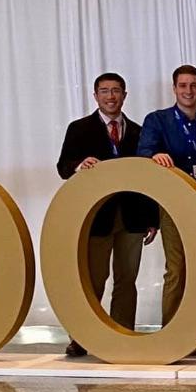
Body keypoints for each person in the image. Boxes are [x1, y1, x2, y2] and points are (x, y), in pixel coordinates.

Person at [55, 72, 158, 357]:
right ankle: (82, 336)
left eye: (116, 91)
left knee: (127, 280)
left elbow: (148, 177)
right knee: (93, 279)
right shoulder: (79, 128)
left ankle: (122, 333)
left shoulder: (139, 131)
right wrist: (79, 165)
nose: (110, 96)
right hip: (96, 217)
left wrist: (152, 218)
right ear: (95, 95)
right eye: (104, 91)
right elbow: (63, 167)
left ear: (125, 95)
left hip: (132, 217)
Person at [137, 64, 196, 354]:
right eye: (183, 86)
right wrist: (155, 154)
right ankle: (173, 335)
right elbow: (142, 154)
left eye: (193, 85)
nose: (188, 91)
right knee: (176, 270)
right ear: (174, 89)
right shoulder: (158, 120)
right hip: (174, 205)